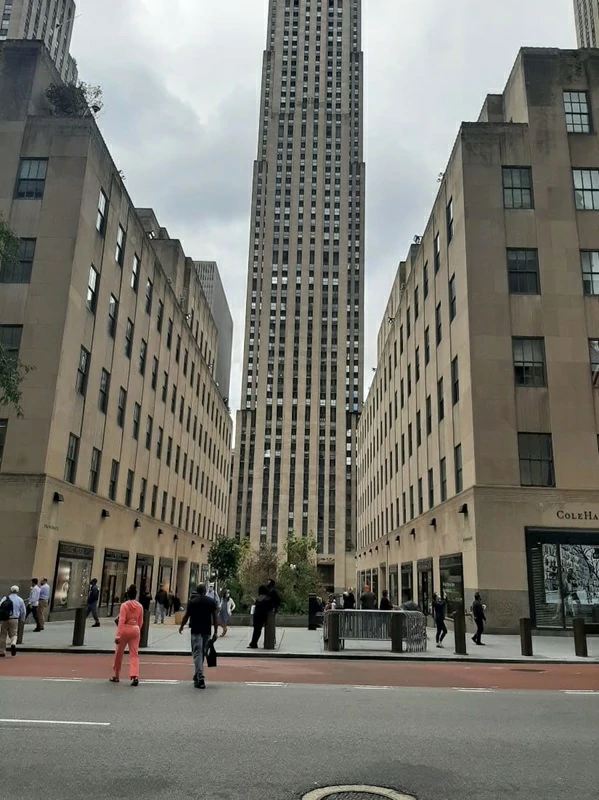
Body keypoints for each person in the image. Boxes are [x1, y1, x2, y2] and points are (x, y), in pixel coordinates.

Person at [179, 583, 218, 689]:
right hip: (207, 631)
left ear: (197, 591)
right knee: (203, 652)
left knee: (197, 653)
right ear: (205, 591)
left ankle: (199, 676)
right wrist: (215, 631)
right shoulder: (211, 602)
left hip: (196, 630)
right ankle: (198, 674)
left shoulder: (193, 602)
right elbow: (215, 617)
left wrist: (181, 626)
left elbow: (187, 615)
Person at [110, 584, 143, 686]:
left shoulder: (124, 605)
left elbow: (121, 621)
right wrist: (137, 630)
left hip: (124, 629)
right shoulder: (140, 606)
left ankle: (116, 675)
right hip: (135, 629)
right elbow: (140, 622)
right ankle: (135, 675)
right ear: (136, 595)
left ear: (128, 595)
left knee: (119, 653)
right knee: (134, 654)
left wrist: (118, 635)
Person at [0, 585, 26, 657]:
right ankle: (13, 643)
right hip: (15, 618)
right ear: (17, 591)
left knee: (3, 634)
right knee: (14, 634)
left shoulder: (5, 598)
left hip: (5, 618)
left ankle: (2, 651)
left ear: (10, 590)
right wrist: (22, 619)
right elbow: (23, 611)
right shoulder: (20, 600)